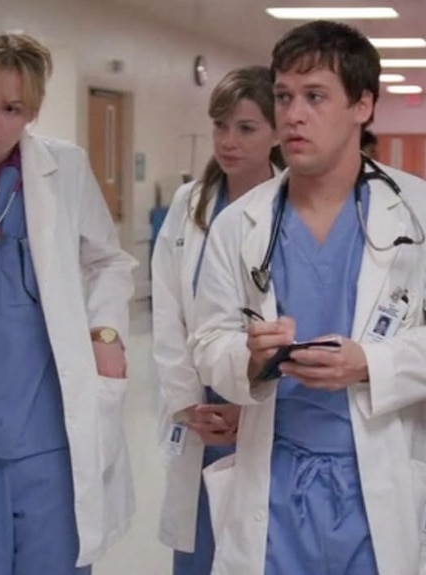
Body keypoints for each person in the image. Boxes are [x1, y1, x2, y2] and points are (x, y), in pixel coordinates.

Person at [192, 20, 426, 575]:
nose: (293, 115)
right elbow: (208, 341)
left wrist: (371, 363)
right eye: (284, 97)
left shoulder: (423, 213)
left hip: (379, 480)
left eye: (315, 97)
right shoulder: (239, 224)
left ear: (363, 105)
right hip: (273, 485)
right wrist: (247, 358)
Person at [0, 33, 137, 575]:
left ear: (31, 114)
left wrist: (106, 334)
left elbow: (107, 260)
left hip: (52, 432)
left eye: (11, 108)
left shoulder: (64, 168)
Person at [151, 65, 282, 575]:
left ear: (276, 133)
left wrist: (250, 404)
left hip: (261, 402)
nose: (228, 141)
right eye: (220, 126)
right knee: (199, 547)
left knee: (256, 545)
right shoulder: (191, 204)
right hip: (202, 408)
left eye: (246, 128)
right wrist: (187, 403)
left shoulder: (288, 207)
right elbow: (168, 308)